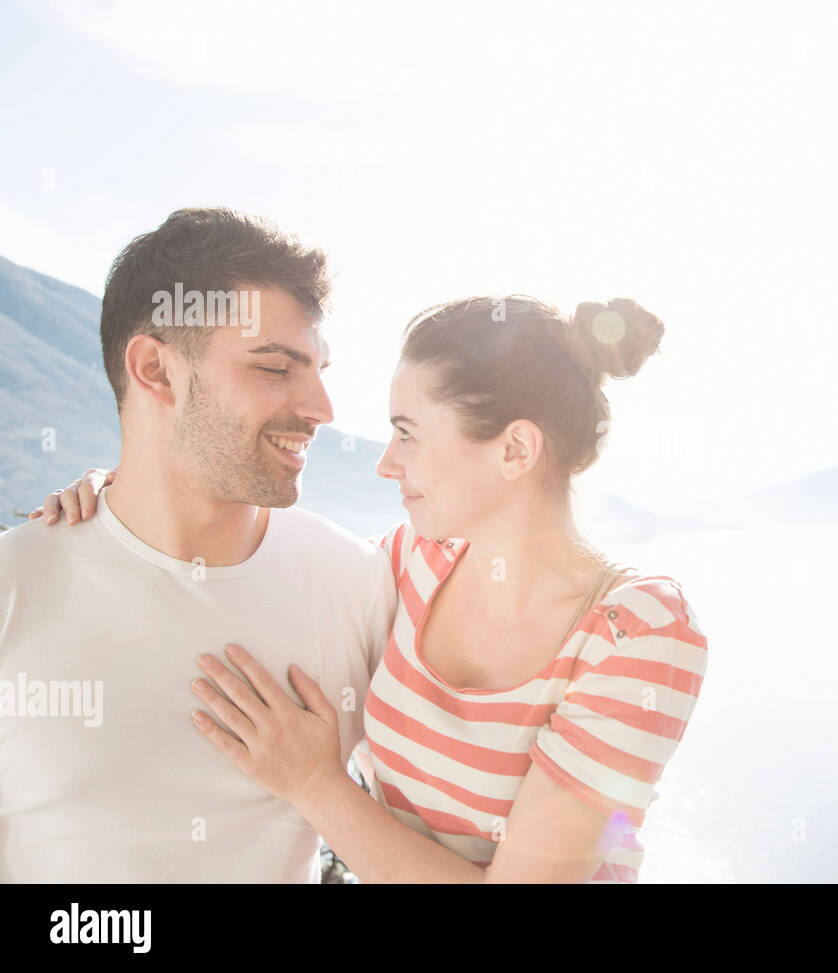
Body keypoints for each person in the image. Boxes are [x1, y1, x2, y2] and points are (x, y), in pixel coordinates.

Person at [28, 291, 709, 882]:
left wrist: (314, 784)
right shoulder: (411, 564)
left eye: (407, 434)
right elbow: (252, 559)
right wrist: (122, 504)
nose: (386, 464)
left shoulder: (639, 632)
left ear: (515, 450)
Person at [0, 207, 398, 882]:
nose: (323, 406)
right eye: (276, 366)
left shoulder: (358, 586)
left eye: (319, 368)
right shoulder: (15, 584)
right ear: (155, 370)